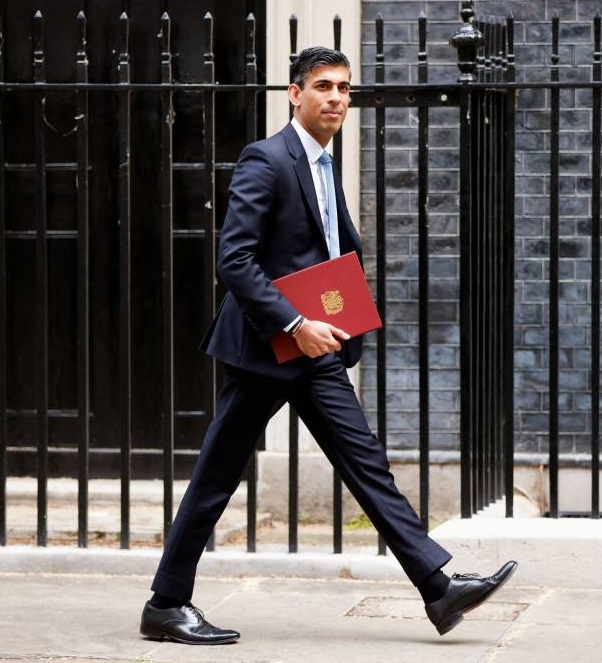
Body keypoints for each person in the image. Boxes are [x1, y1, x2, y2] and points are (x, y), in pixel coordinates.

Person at [139, 46, 517, 646]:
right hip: (266, 350)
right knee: (217, 477)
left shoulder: (323, 164)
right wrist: (294, 324)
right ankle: (166, 604)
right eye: (323, 86)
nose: (336, 97)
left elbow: (333, 254)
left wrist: (343, 324)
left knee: (367, 466)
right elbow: (235, 261)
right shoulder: (266, 160)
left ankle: (439, 590)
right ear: (295, 94)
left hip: (315, 352)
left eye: (343, 87)